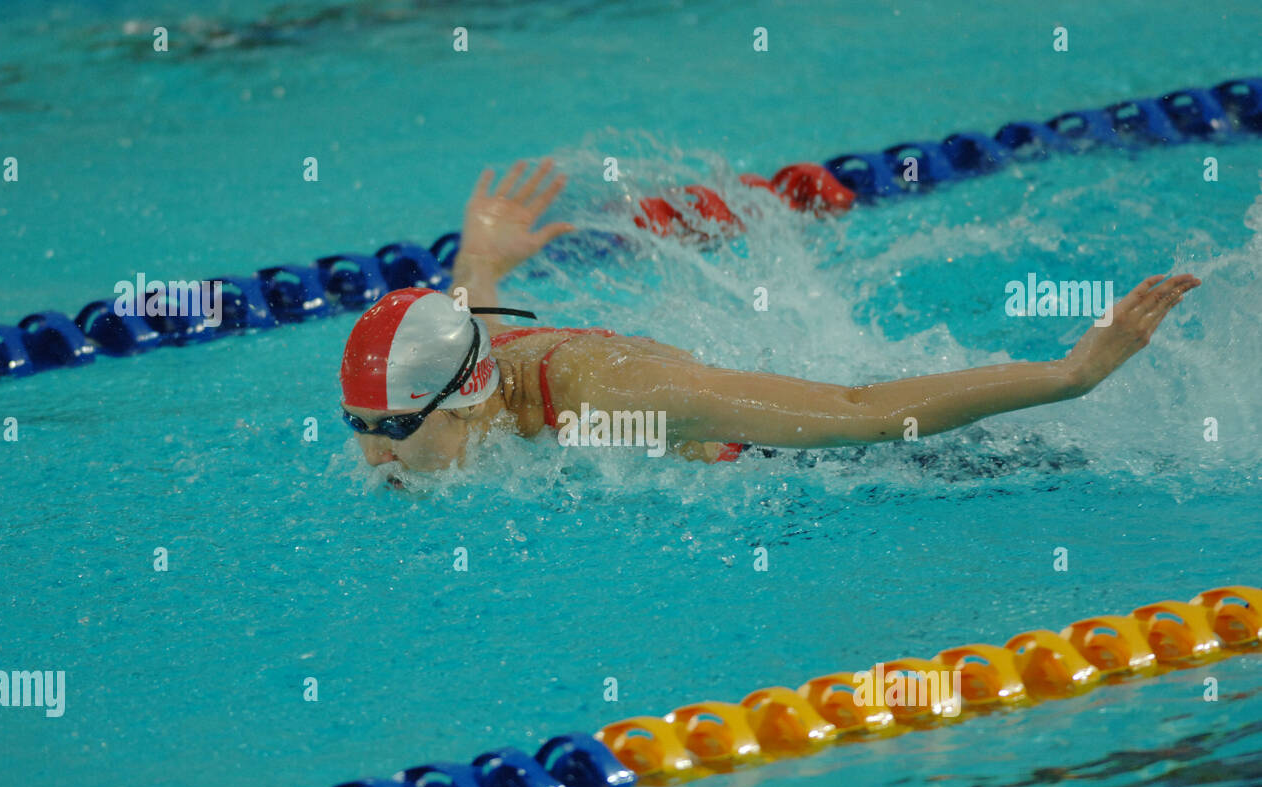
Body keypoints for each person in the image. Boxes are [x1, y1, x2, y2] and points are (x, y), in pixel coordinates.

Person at [339, 158, 1200, 476]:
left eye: (392, 426)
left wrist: (1070, 374)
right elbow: (467, 319)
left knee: (1031, 468)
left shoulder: (614, 395)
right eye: (361, 424)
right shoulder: (470, 367)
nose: (375, 451)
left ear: (467, 397)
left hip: (829, 468)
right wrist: (483, 256)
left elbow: (862, 413)